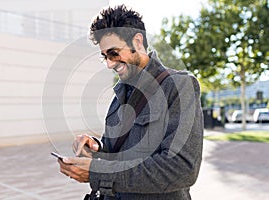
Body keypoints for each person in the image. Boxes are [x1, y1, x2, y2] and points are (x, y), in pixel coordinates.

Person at [57, 4, 203, 200]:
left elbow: (181, 169)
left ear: (137, 41)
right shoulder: (119, 96)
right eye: (105, 57)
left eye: (114, 53)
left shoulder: (179, 86)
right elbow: (118, 155)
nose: (109, 63)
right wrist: (96, 150)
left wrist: (98, 173)